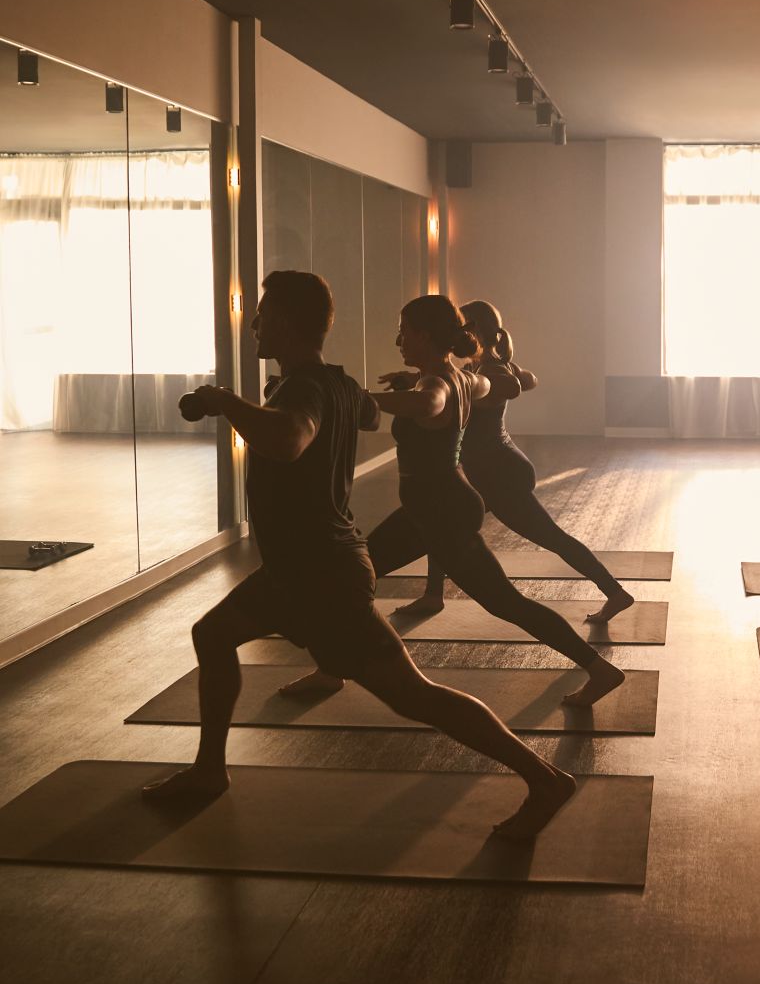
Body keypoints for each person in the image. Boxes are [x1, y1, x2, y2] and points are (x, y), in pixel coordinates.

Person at [142, 272, 576, 841]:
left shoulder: (304, 392)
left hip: (322, 576)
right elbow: (366, 415)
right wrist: (361, 394)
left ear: (289, 324)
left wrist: (226, 403)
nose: (254, 324)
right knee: (214, 634)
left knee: (414, 695)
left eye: (264, 314)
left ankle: (543, 778)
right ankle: (208, 771)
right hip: (297, 571)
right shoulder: (333, 386)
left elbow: (292, 439)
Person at [278, 294, 626, 708]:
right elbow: (483, 384)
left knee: (503, 601)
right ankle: (332, 669)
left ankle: (599, 668)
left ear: (424, 336)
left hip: (442, 512)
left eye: (405, 333)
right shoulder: (463, 378)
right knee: (355, 578)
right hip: (434, 508)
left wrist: (349, 398)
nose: (398, 341)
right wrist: (414, 384)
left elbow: (431, 402)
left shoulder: (441, 385)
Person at [388, 299, 634, 624]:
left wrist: (510, 379)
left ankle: (615, 592)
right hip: (487, 470)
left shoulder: (489, 370)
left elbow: (510, 385)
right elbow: (504, 379)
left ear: (472, 331)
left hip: (499, 475)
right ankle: (433, 595)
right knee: (442, 523)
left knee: (548, 537)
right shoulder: (476, 369)